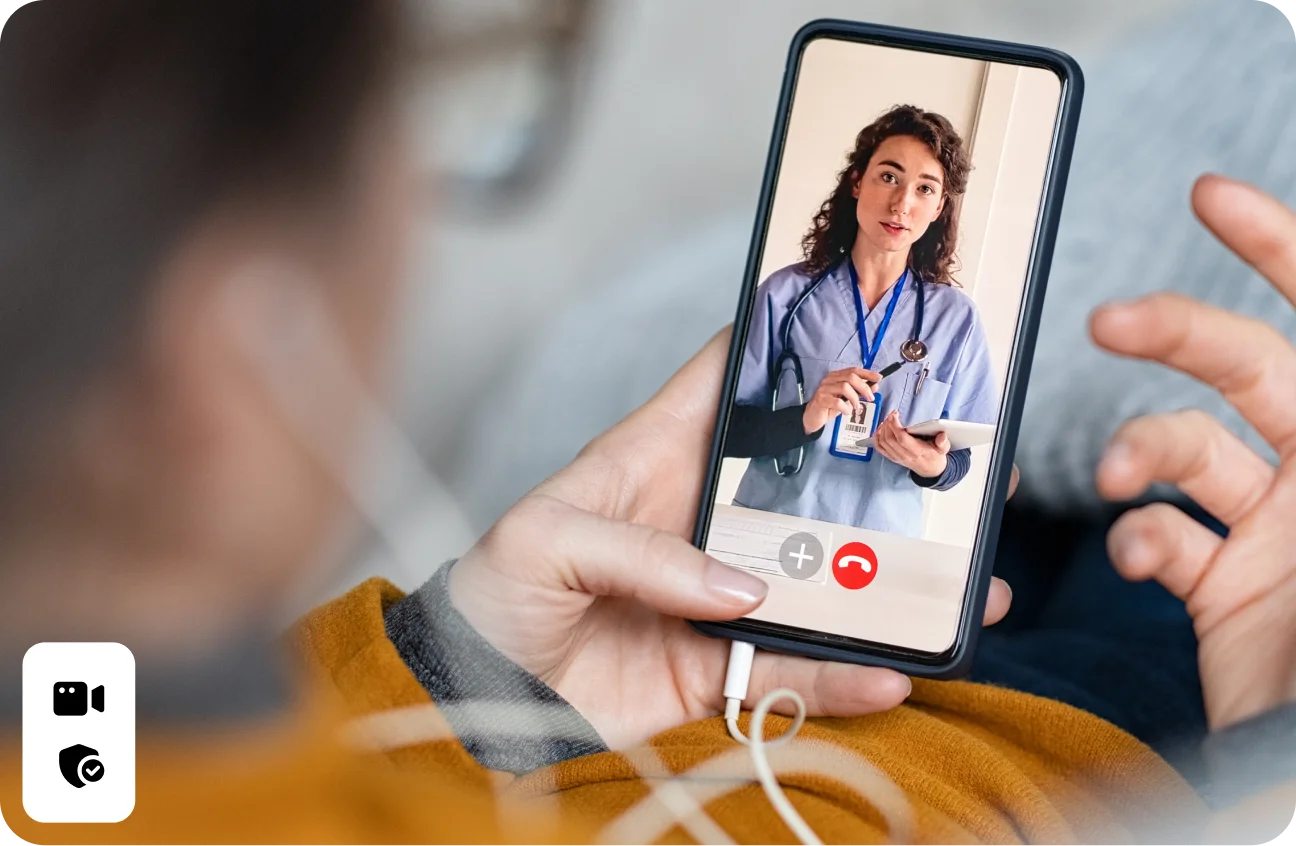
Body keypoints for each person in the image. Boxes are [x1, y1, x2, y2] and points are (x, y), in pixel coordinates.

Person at [2, 3, 1296, 845]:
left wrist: (455, 668)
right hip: (1097, 752)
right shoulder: (793, 294)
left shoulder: (85, 746)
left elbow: (109, 776)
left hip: (758, 617)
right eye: (412, 128)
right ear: (227, 347)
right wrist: (1263, 771)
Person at [724, 106, 999, 539]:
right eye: (889, 177)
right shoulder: (785, 295)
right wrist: (806, 416)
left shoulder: (955, 321)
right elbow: (725, 431)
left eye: (925, 189)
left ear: (939, 206)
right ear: (857, 181)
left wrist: (930, 465)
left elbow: (958, 462)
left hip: (879, 546)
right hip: (770, 528)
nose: (902, 204)